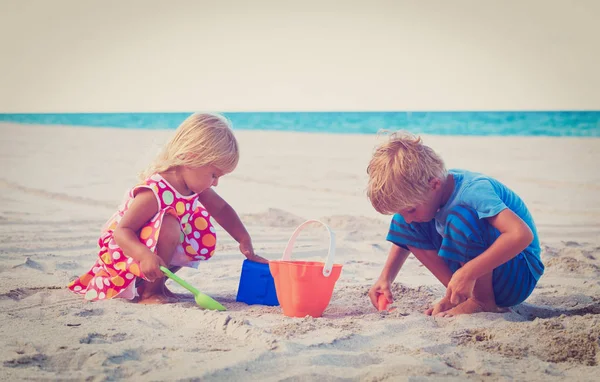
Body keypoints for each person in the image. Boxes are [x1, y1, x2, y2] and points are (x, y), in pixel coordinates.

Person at [68, 113, 267, 304]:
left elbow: (221, 209)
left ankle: (158, 285)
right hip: (126, 255)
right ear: (191, 159)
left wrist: (243, 239)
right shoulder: (155, 191)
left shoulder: (195, 186)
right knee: (170, 224)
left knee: (189, 230)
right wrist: (145, 256)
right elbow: (122, 232)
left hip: (149, 257)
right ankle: (149, 292)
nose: (215, 183)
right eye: (214, 175)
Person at [366, 132, 544, 316]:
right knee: (402, 222)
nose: (409, 217)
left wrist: (468, 272)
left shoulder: (472, 191)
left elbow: (521, 235)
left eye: (411, 209)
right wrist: (385, 278)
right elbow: (406, 227)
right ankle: (458, 296)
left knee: (461, 218)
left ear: (434, 185)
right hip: (474, 276)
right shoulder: (435, 190)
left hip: (517, 275)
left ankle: (482, 301)